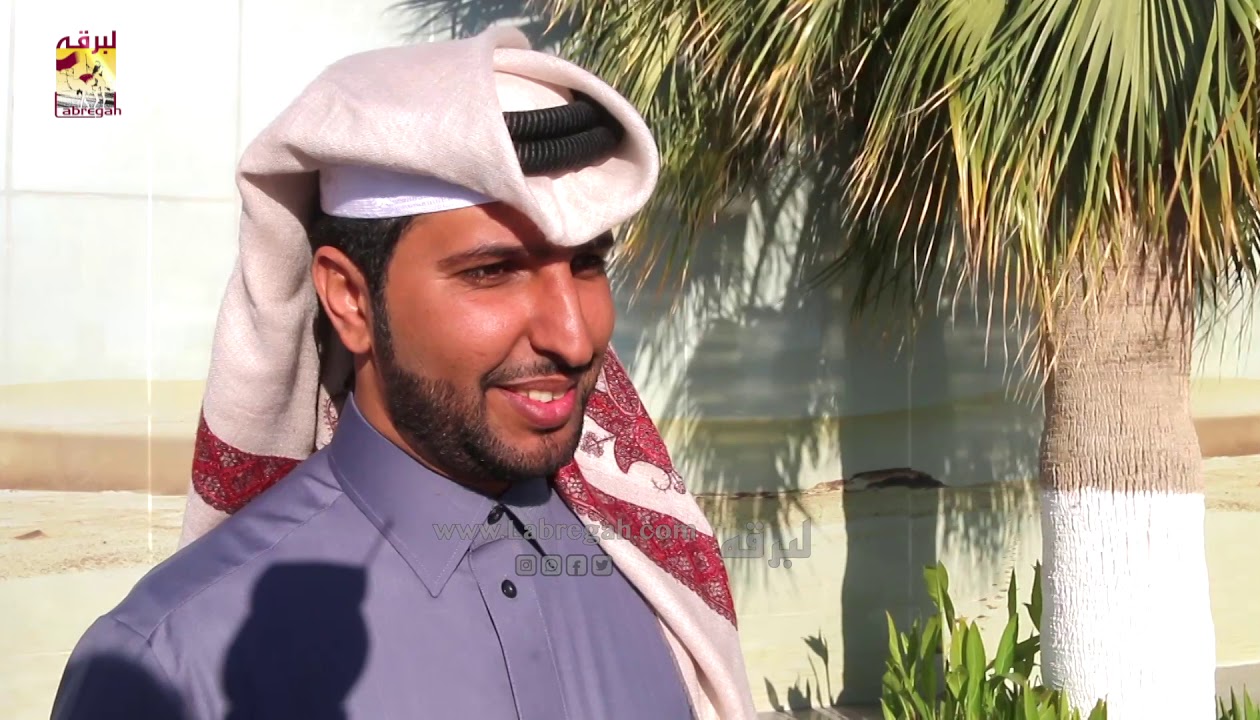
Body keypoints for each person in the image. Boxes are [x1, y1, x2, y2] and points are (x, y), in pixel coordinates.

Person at [49, 25, 756, 720]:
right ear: (352, 301)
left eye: (587, 263)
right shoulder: (171, 666)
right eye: (492, 271)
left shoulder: (655, 589)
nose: (574, 337)